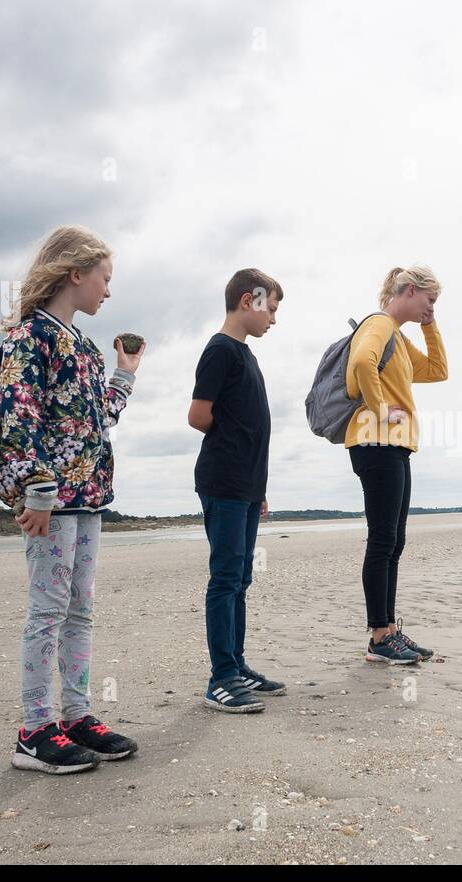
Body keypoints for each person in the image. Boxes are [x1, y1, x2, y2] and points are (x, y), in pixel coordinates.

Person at [0, 225, 143, 773]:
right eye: (104, 279)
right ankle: (34, 730)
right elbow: (15, 415)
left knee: (80, 610)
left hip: (88, 498)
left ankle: (76, 716)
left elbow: (95, 421)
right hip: (52, 502)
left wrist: (123, 378)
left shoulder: (83, 345)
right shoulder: (29, 337)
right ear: (75, 274)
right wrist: (37, 491)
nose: (108, 290)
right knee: (48, 612)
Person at [188, 269, 286, 712]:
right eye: (273, 309)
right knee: (225, 579)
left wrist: (258, 488)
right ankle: (220, 678)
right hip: (222, 481)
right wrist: (230, 450)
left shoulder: (248, 355)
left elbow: (255, 427)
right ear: (250, 301)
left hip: (246, 487)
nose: (274, 320)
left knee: (241, 578)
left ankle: (237, 664)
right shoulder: (220, 350)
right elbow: (198, 416)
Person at [344, 265, 448, 665]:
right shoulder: (379, 324)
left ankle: (388, 632)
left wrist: (429, 326)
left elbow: (438, 371)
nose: (431, 307)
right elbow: (360, 365)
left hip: (394, 445)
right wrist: (382, 409)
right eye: (430, 299)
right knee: (383, 540)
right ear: (408, 290)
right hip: (376, 441)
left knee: (394, 542)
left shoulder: (399, 338)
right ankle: (378, 638)